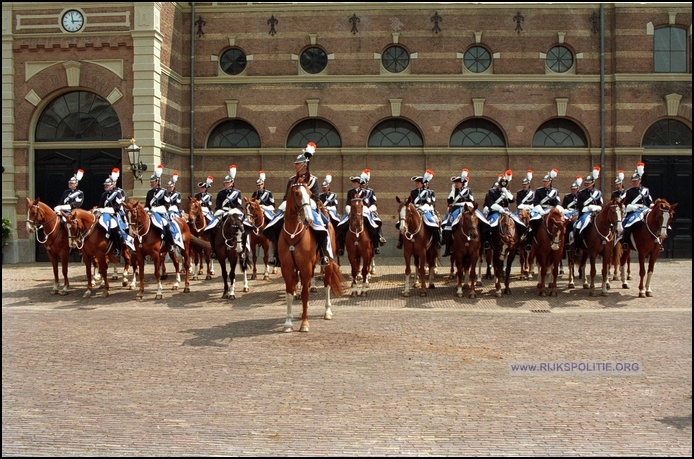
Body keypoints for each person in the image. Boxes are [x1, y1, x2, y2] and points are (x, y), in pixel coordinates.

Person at [264, 142, 333, 267]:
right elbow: (286, 196)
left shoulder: (314, 180)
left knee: (324, 225)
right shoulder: (291, 180)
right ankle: (275, 255)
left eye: (297, 164)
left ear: (303, 165)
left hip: (309, 207)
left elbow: (316, 198)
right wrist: (285, 203)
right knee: (273, 224)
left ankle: (323, 255)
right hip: (292, 207)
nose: (294, 166)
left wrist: (307, 202)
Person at [396, 169, 441, 250]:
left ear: (422, 184)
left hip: (426, 209)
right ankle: (400, 241)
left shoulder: (430, 192)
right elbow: (411, 202)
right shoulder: (413, 192)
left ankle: (437, 241)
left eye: (418, 183)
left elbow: (432, 203)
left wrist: (427, 207)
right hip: (415, 208)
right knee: (403, 222)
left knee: (434, 223)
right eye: (415, 183)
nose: (416, 184)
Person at [96, 168, 135, 254]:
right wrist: (99, 209)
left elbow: (117, 207)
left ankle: (118, 248)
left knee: (115, 227)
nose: (106, 187)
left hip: (114, 214)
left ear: (112, 185)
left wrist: (105, 210)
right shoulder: (104, 194)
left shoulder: (117, 193)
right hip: (104, 214)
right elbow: (100, 205)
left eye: (107, 185)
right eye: (105, 185)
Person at [213, 165, 250, 256]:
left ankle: (244, 250)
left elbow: (239, 206)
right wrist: (221, 211)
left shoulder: (237, 193)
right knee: (211, 228)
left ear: (232, 183)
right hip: (223, 212)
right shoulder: (220, 193)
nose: (226, 184)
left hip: (235, 212)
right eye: (225, 183)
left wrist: (232, 208)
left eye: (228, 183)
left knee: (244, 227)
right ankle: (214, 251)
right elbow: (218, 206)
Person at [441, 168, 476, 257]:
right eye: (455, 182)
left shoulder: (468, 190)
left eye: (458, 182)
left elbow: (472, 200)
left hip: (468, 207)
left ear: (462, 183)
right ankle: (448, 248)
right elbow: (449, 201)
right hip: (457, 207)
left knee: (480, 219)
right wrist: (453, 191)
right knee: (448, 226)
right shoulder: (453, 191)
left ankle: (484, 243)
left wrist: (470, 207)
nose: (456, 184)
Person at [527, 168, 563, 250]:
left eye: (545, 182)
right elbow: (536, 202)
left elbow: (557, 202)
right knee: (532, 223)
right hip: (541, 210)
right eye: (543, 181)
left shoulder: (555, 191)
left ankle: (563, 245)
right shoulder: (539, 190)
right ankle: (529, 243)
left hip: (552, 210)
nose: (544, 183)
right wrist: (541, 211)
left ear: (550, 182)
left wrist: (557, 208)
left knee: (562, 223)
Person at [621, 162, 654, 250]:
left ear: (640, 180)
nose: (633, 183)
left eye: (635, 181)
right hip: (634, 211)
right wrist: (632, 207)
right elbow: (626, 204)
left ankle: (657, 242)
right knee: (629, 224)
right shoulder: (629, 191)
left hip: (645, 209)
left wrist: (652, 205)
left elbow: (649, 201)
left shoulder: (646, 190)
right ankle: (625, 242)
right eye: (632, 181)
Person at [144, 165, 176, 249]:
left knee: (166, 225)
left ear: (157, 182)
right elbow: (147, 204)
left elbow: (167, 205)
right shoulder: (149, 192)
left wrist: (156, 209)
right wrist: (146, 208)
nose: (151, 183)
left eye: (153, 182)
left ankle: (171, 244)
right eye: (150, 182)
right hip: (150, 213)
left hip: (161, 213)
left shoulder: (164, 191)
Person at [482, 170, 515, 249]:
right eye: (501, 185)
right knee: (489, 225)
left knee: (518, 223)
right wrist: (500, 208)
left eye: (504, 186)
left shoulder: (507, 192)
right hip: (495, 212)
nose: (501, 187)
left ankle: (516, 243)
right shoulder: (492, 191)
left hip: (506, 211)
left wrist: (506, 192)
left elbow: (512, 200)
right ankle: (487, 241)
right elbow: (491, 204)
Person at [573, 167, 603, 252]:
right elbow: (579, 205)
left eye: (588, 183)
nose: (586, 184)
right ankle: (578, 246)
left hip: (596, 212)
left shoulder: (598, 192)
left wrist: (596, 207)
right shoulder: (581, 193)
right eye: (585, 183)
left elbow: (600, 204)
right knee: (578, 226)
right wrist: (587, 208)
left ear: (592, 183)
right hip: (585, 213)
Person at [359, 169, 386, 254]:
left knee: (377, 222)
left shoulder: (371, 191)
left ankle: (378, 241)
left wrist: (371, 209)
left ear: (367, 183)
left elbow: (374, 202)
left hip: (369, 211)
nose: (362, 185)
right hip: (358, 211)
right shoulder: (356, 192)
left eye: (364, 183)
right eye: (361, 183)